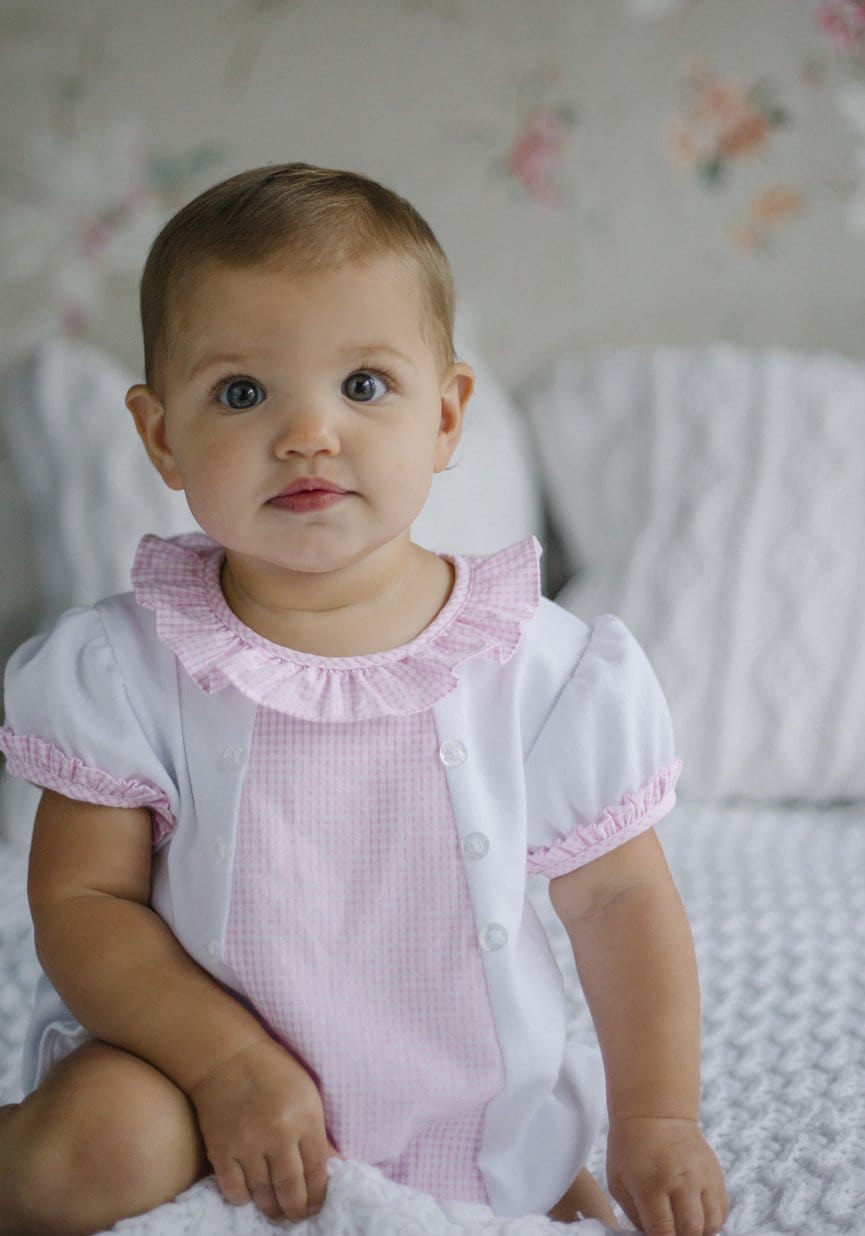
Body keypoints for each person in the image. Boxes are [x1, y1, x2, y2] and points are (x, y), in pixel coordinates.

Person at [0, 163, 727, 1236]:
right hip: (187, 1070)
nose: (309, 432)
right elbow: (82, 901)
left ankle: (491, 1166)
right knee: (101, 1145)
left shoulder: (535, 665)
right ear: (160, 438)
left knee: (517, 1192)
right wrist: (226, 1061)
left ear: (446, 416)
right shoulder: (126, 665)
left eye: (364, 385)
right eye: (241, 393)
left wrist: (655, 1117)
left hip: (458, 1097)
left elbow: (621, 901)